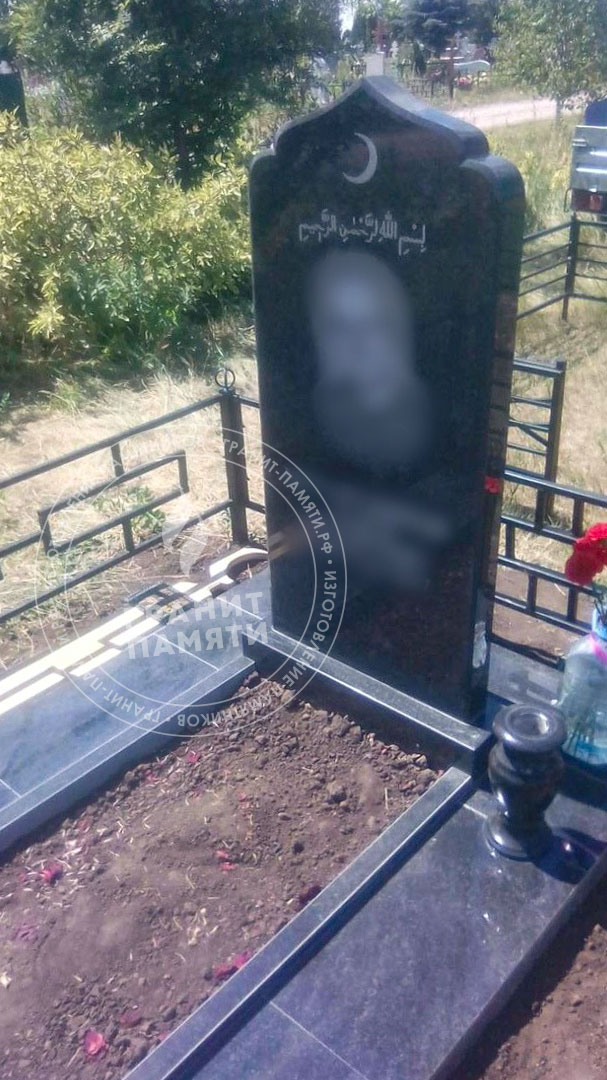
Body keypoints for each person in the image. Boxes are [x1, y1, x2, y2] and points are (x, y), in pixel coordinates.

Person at [308, 249, 433, 477]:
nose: (358, 345)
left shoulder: (429, 418)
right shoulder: (312, 416)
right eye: (339, 327)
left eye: (375, 324)